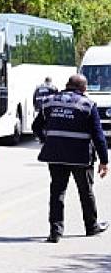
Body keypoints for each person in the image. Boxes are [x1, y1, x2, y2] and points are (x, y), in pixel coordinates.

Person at [31, 74, 109, 243]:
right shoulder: (87, 104)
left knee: (57, 191)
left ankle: (55, 232)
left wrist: (46, 140)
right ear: (83, 88)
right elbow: (98, 135)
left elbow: (35, 126)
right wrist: (104, 161)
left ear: (67, 85)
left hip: (56, 155)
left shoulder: (50, 101)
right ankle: (91, 226)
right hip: (80, 157)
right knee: (85, 191)